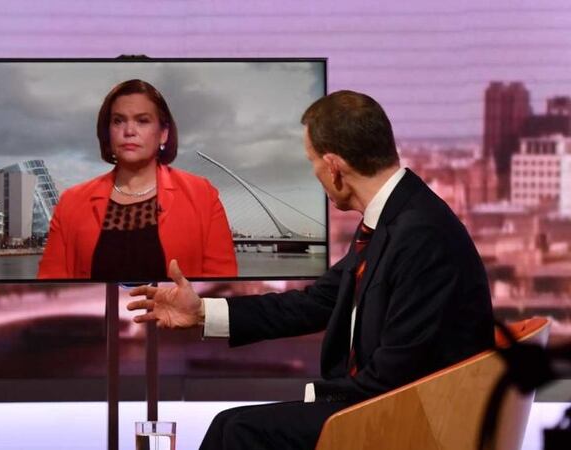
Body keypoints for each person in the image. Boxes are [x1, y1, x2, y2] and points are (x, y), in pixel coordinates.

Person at [127, 90, 494, 450]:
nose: (315, 174)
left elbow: (396, 376)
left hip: (414, 421)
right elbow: (317, 302)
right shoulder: (397, 218)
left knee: (240, 431)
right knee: (230, 425)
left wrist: (315, 396)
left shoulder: (419, 234)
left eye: (312, 162)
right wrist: (203, 312)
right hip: (395, 405)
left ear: (334, 166)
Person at [37, 79, 237, 280]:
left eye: (142, 120)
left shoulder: (202, 195)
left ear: (163, 134)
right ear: (108, 132)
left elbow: (223, 291)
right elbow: (48, 288)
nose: (129, 131)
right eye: (118, 121)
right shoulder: (71, 202)